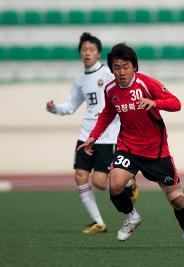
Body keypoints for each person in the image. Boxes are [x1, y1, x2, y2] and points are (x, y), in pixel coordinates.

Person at [77, 43, 184, 248]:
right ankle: (132, 217)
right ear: (111, 69)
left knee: (177, 200)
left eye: (126, 66)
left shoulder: (146, 84)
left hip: (157, 152)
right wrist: (93, 136)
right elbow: (108, 113)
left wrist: (156, 103)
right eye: (117, 67)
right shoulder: (111, 90)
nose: (121, 72)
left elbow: (176, 103)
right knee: (115, 185)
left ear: (134, 67)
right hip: (128, 148)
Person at [46, 33, 139, 234]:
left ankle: (129, 184)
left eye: (91, 50)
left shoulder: (108, 73)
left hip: (107, 135)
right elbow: (71, 106)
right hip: (86, 134)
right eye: (84, 50)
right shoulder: (80, 79)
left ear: (98, 53)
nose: (87, 53)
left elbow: (125, 89)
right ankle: (99, 222)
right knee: (80, 176)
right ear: (80, 53)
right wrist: (54, 109)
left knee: (99, 182)